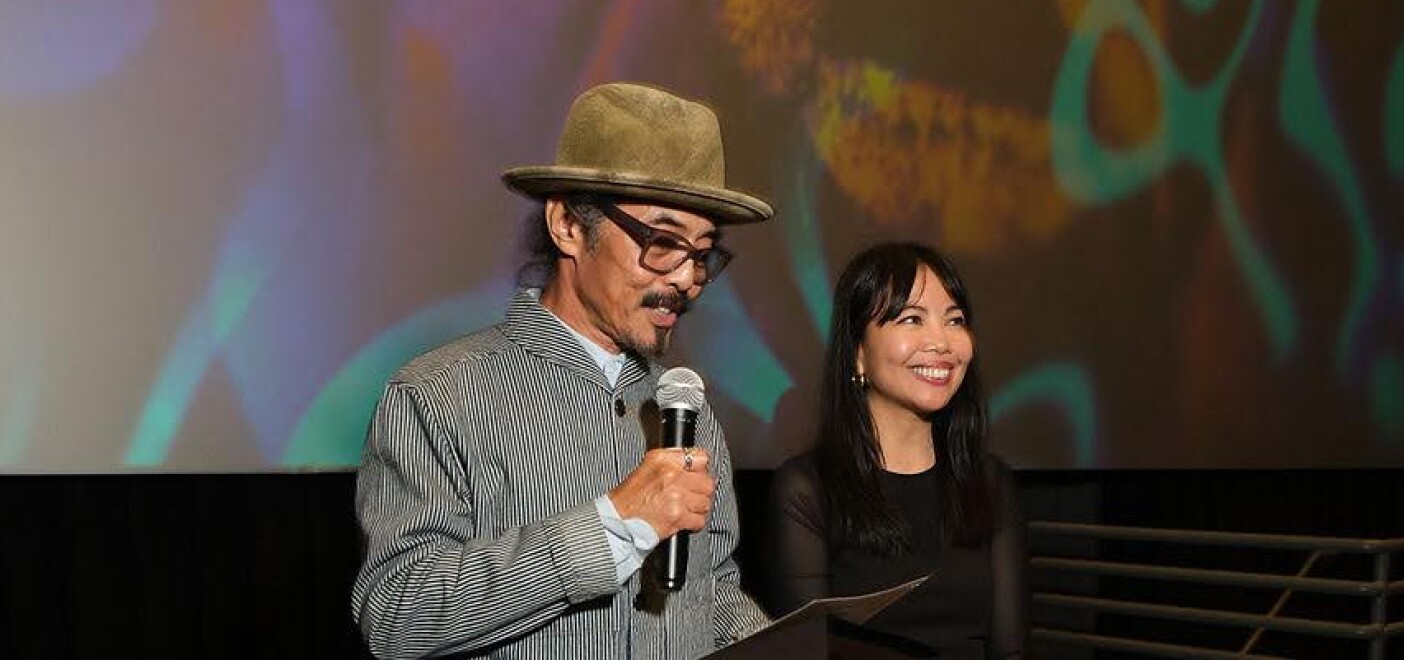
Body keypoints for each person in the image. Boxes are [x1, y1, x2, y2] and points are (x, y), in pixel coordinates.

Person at [351, 82, 773, 659]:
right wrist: (610, 525)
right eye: (664, 242)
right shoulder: (439, 395)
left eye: (702, 254)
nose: (685, 279)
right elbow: (397, 615)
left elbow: (712, 594)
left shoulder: (685, 408)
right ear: (568, 226)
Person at [765, 242, 1029, 659]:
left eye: (955, 320)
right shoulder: (807, 490)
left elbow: (1011, 651)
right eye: (911, 319)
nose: (941, 342)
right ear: (858, 355)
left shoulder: (989, 483)